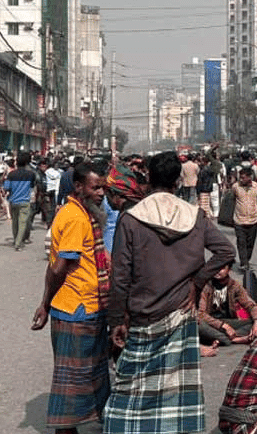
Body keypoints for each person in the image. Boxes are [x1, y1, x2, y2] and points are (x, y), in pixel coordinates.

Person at [104, 151, 235, 434]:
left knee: (132, 390)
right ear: (178, 180)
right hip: (180, 315)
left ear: (148, 176)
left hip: (141, 315)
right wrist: (196, 282)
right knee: (175, 393)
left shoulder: (132, 218)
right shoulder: (195, 216)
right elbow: (226, 250)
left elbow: (120, 276)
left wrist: (116, 319)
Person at [30, 161, 111, 434]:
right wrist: (45, 303)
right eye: (95, 187)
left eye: (103, 187)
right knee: (71, 384)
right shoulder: (76, 218)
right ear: (78, 187)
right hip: (76, 310)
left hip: (87, 307)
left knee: (88, 377)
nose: (101, 193)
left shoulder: (80, 212)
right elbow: (59, 267)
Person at [197, 263, 257, 349]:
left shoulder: (234, 285)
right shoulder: (206, 286)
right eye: (215, 268)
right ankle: (232, 339)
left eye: (222, 269)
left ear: (229, 270)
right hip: (210, 322)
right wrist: (223, 326)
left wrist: (256, 324)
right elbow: (201, 314)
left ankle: (222, 338)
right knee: (199, 325)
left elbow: (251, 305)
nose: (218, 272)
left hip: (227, 321)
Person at [3, 151, 37, 251]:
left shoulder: (11, 174)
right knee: (23, 222)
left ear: (16, 162)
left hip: (13, 201)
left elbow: (7, 188)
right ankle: (18, 243)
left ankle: (16, 239)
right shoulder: (31, 174)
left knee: (15, 222)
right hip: (25, 201)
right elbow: (32, 187)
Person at [233, 167, 257, 270]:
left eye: (243, 178)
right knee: (241, 242)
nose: (241, 180)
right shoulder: (235, 187)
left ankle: (247, 259)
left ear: (250, 177)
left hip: (253, 219)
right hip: (239, 220)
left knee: (250, 243)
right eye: (240, 177)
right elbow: (231, 200)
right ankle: (244, 263)